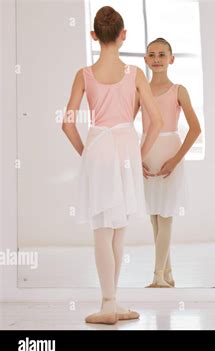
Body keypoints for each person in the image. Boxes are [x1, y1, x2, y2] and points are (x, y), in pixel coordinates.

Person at [61, 6, 163, 324]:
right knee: (118, 230)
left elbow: (67, 124)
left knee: (102, 230)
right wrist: (138, 154)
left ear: (94, 36)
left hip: (99, 147)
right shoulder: (134, 74)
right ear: (123, 36)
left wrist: (87, 155)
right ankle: (111, 301)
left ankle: (110, 302)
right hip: (125, 150)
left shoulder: (84, 75)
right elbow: (156, 122)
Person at [136, 37, 201, 288]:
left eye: (162, 55)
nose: (156, 59)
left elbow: (195, 129)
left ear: (171, 59)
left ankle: (157, 277)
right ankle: (169, 273)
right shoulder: (140, 91)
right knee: (154, 216)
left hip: (169, 153)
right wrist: (136, 157)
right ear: (145, 60)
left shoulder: (179, 91)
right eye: (151, 55)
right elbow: (126, 124)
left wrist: (175, 160)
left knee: (166, 216)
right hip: (148, 152)